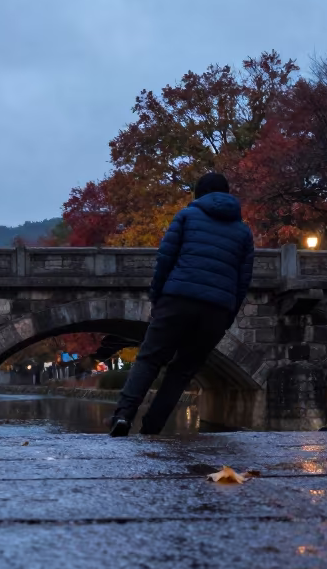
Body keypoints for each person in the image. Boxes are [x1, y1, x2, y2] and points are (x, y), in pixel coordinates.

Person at [109, 172, 254, 436]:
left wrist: (157, 297)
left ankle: (123, 416)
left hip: (177, 298)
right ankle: (152, 428)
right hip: (217, 310)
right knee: (182, 370)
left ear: (199, 194)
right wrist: (227, 315)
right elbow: (243, 282)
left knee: (150, 358)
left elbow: (165, 260)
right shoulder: (244, 232)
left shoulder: (186, 217)